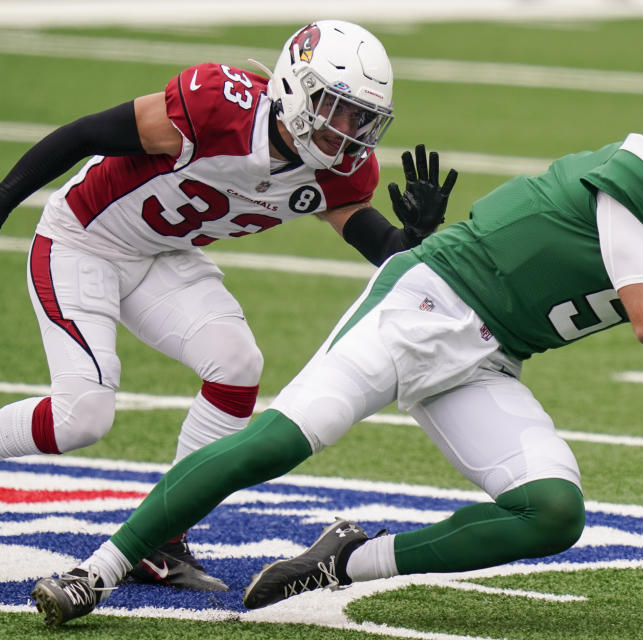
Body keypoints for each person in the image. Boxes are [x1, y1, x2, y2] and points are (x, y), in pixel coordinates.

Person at [31, 96, 643, 627]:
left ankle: (340, 564)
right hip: (427, 305)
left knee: (552, 513)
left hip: (491, 356)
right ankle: (98, 570)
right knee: (279, 441)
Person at [0, 20, 456, 592]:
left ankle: (162, 537)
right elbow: (82, 135)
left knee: (237, 367)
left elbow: (382, 249)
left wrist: (414, 235)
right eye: (332, 107)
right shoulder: (220, 104)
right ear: (294, 87)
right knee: (81, 417)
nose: (345, 130)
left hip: (162, 253)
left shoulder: (342, 169)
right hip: (82, 239)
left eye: (359, 117)